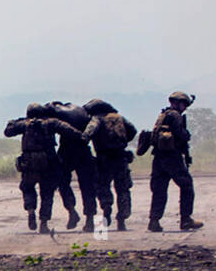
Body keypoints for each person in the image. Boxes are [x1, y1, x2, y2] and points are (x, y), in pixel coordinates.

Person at [4, 103, 86, 234]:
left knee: (28, 187)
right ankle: (44, 223)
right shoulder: (51, 123)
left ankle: (31, 210)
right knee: (47, 193)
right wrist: (83, 136)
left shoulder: (24, 125)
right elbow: (70, 131)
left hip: (29, 163)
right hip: (49, 163)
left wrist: (20, 121)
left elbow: (8, 131)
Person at [140, 91, 204, 232]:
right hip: (171, 157)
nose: (185, 107)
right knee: (186, 185)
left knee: (159, 190)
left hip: (159, 157)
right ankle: (186, 219)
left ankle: (154, 221)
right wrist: (186, 135)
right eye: (184, 104)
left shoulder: (163, 115)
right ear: (178, 103)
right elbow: (181, 135)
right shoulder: (175, 116)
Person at [82, 98, 137, 230]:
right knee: (123, 189)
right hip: (121, 157)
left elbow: (88, 134)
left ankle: (106, 207)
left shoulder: (97, 119)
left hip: (104, 159)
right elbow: (133, 130)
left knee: (103, 186)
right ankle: (122, 219)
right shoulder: (119, 118)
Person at [47, 101, 97, 231]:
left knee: (63, 183)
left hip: (66, 150)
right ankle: (90, 220)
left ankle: (71, 210)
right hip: (83, 150)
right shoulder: (84, 113)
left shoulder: (56, 112)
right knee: (88, 186)